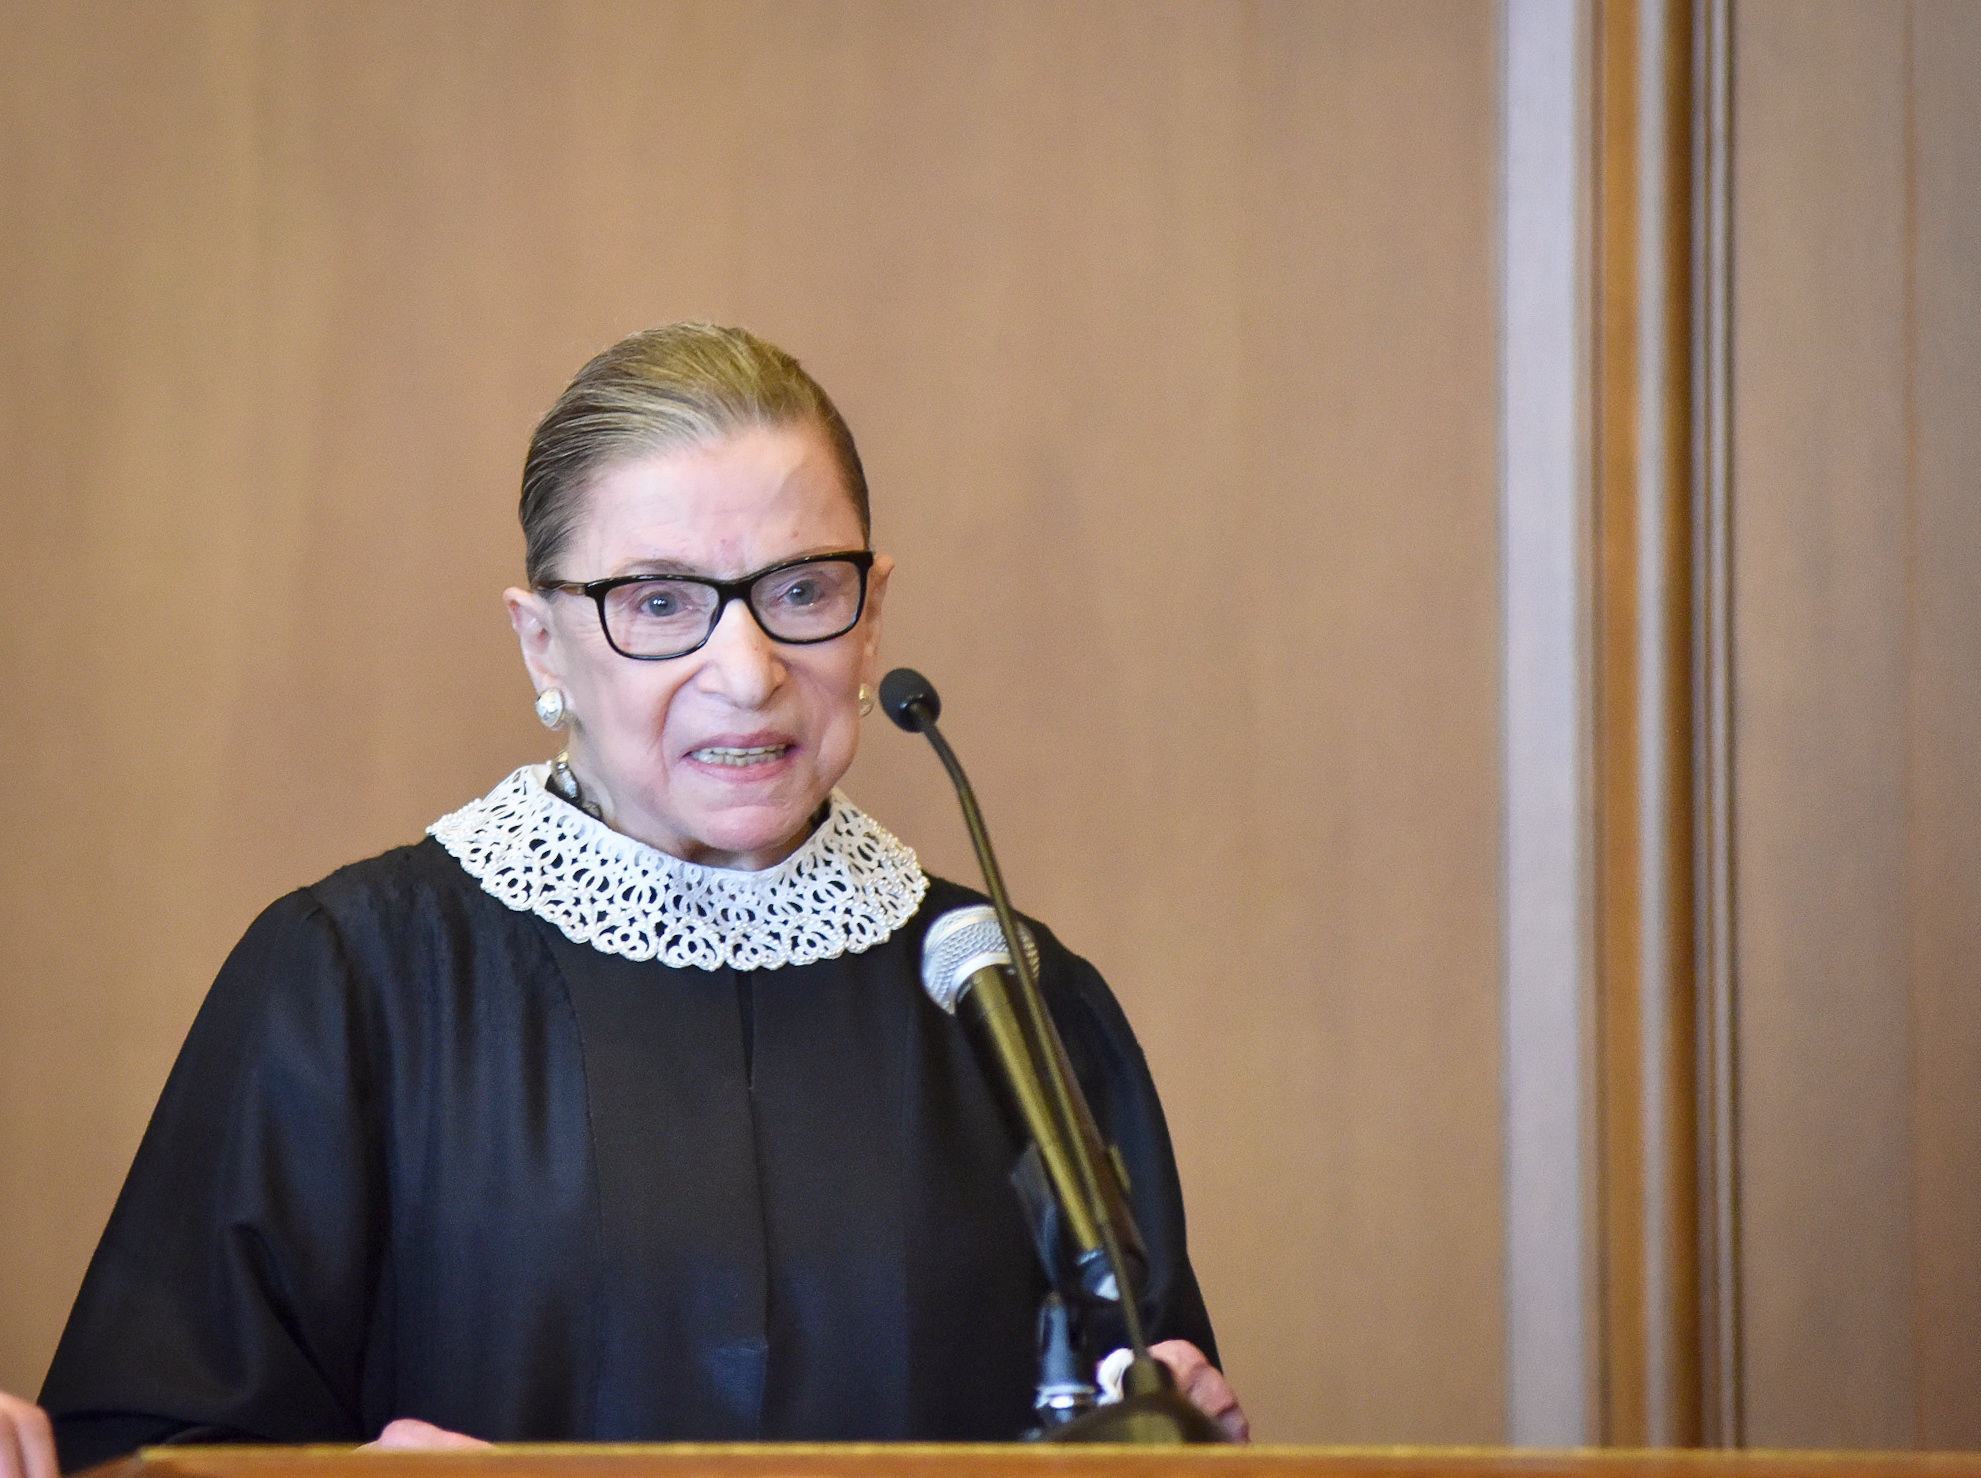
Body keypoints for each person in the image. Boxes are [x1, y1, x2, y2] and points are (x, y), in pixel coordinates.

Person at [1, 324, 1244, 1478]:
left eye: (802, 590)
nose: (747, 672)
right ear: (542, 642)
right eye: (659, 602)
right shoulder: (351, 977)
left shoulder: (1012, 996)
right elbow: (144, 1443)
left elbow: (1144, 1397)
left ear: (870, 618)